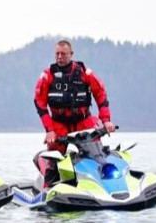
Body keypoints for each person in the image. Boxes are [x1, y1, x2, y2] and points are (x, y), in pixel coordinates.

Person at [31, 40, 114, 186]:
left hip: (84, 121)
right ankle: (48, 189)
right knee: (53, 166)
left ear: (71, 54)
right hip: (58, 125)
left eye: (63, 54)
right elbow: (39, 102)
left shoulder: (84, 72)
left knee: (98, 156)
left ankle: (106, 184)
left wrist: (106, 120)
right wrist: (49, 130)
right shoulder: (47, 75)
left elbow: (100, 93)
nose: (59, 57)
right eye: (57, 54)